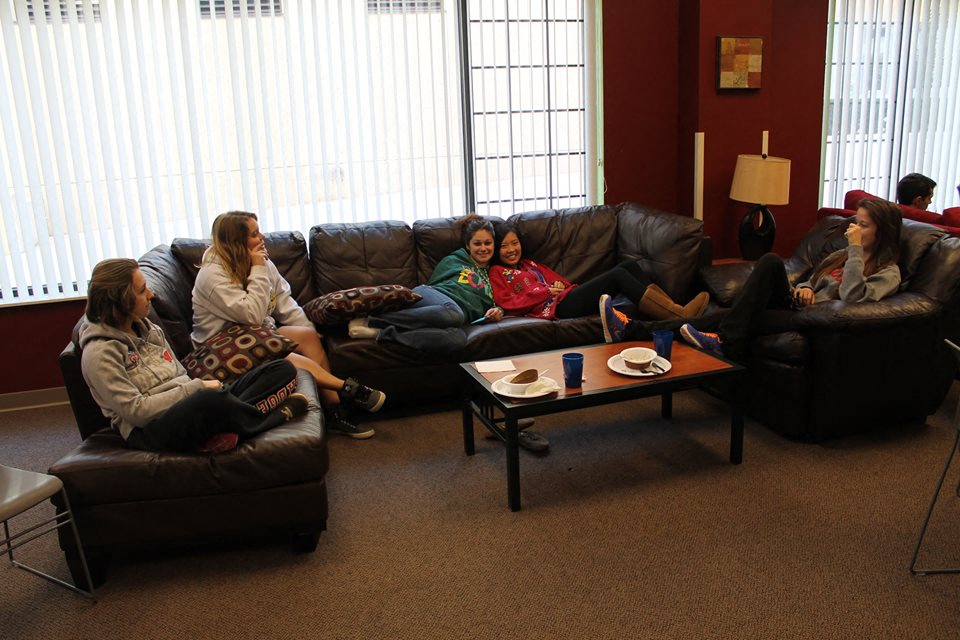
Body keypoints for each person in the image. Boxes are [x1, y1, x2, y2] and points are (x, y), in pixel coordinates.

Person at [601, 198, 903, 363]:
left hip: (816, 319)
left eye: (863, 225)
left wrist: (854, 251)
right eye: (855, 222)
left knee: (723, 317)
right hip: (798, 306)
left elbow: (852, 298)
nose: (854, 229)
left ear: (883, 231)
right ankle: (638, 330)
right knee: (769, 265)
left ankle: (634, 329)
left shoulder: (887, 272)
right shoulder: (841, 256)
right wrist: (805, 288)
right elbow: (814, 278)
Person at [351, 213, 549, 452]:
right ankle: (374, 320)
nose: (483, 248)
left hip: (458, 316)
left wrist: (494, 310)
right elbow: (433, 286)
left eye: (488, 243)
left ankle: (384, 334)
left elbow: (495, 301)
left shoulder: (493, 274)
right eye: (477, 243)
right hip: (434, 299)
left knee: (457, 341)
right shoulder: (455, 259)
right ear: (468, 245)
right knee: (451, 314)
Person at [80, 258, 309, 454]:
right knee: (209, 399)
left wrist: (197, 392)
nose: (150, 294)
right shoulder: (100, 354)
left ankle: (228, 423)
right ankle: (272, 417)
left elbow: (180, 373)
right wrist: (197, 389)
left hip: (190, 407)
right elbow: (137, 412)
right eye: (141, 291)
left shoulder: (149, 329)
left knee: (281, 369)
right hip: (150, 430)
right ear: (119, 302)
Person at [191, 211, 385, 439]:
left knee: (306, 336)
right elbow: (251, 315)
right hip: (219, 350)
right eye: (254, 234)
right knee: (285, 356)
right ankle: (347, 388)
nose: (262, 236)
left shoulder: (259, 262)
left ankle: (334, 411)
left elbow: (283, 301)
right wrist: (258, 269)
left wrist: (310, 329)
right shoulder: (212, 276)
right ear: (236, 242)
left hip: (256, 336)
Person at [489, 222, 709, 329]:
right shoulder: (498, 272)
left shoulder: (530, 264)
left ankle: (674, 310)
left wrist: (558, 284)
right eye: (504, 246)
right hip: (558, 308)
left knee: (630, 265)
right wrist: (548, 290)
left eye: (515, 243)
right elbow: (509, 302)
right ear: (496, 251)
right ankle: (680, 317)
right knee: (618, 276)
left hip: (567, 296)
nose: (511, 249)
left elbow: (563, 282)